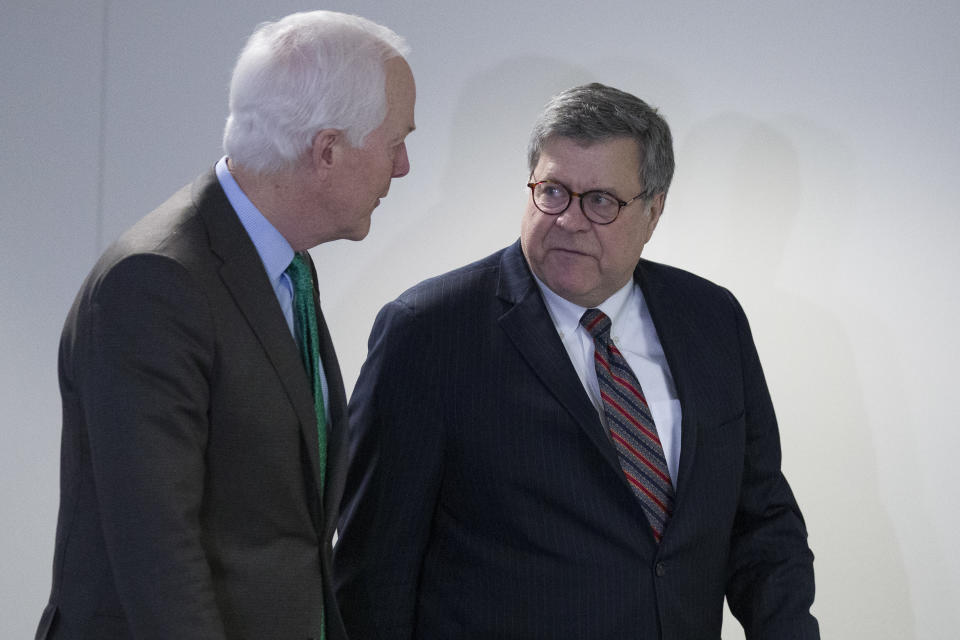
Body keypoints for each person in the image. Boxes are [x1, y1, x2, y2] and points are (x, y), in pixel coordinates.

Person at [334, 83, 818, 638]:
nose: (569, 220)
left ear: (654, 211)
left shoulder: (712, 319)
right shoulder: (428, 333)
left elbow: (761, 522)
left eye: (602, 201)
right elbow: (373, 570)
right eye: (554, 192)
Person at [36, 10, 415, 640]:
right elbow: (159, 555)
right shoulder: (154, 284)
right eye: (395, 142)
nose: (401, 168)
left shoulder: (283, 266)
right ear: (327, 150)